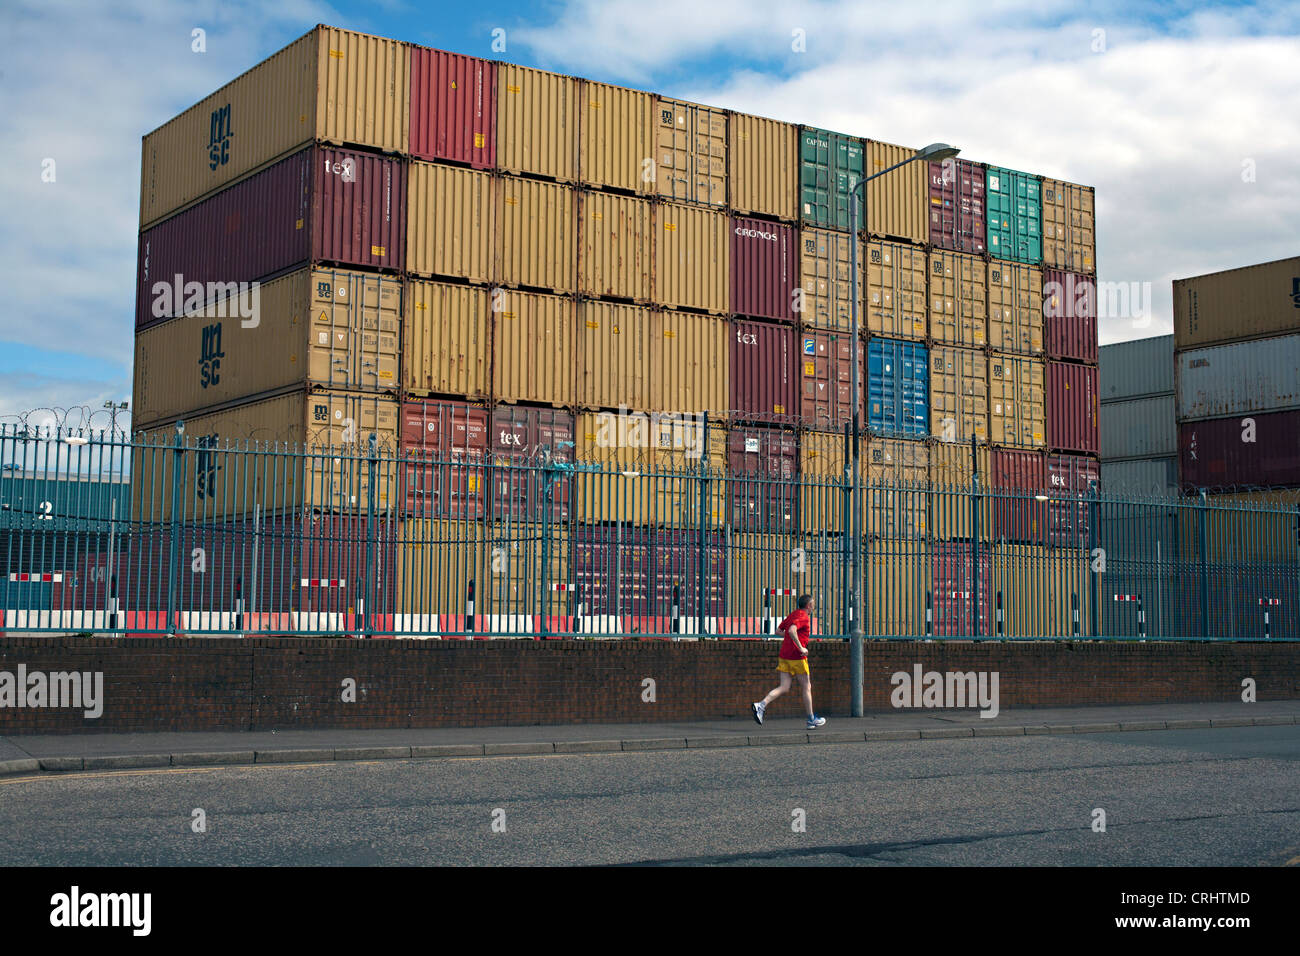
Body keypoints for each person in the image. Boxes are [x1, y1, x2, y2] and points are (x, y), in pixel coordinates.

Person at [752, 593, 826, 730]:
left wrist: (795, 638)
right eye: (813, 605)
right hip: (797, 657)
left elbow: (778, 631)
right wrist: (801, 647)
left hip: (784, 655)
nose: (813, 608)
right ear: (809, 605)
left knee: (784, 687)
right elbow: (792, 631)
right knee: (806, 687)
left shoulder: (793, 614)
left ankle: (761, 705)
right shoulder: (803, 616)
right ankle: (811, 720)